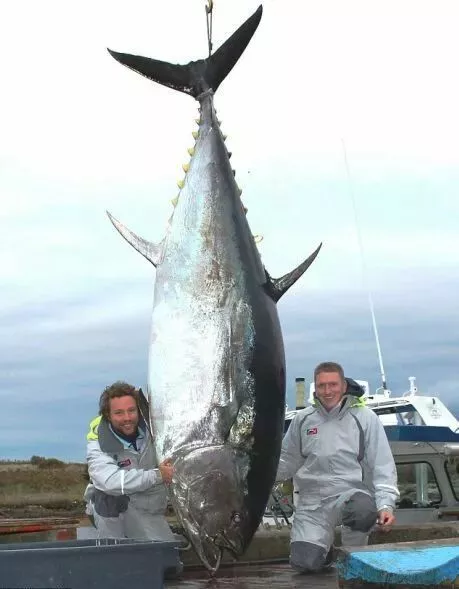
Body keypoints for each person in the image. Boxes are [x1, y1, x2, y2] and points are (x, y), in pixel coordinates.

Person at [277, 361, 399, 573]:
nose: (327, 391)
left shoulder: (366, 418)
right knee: (304, 563)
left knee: (362, 512)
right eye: (322, 385)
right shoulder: (302, 420)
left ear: (343, 386)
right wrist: (259, 476)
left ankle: (353, 552)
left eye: (333, 384)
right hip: (313, 502)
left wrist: (385, 505)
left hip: (351, 494)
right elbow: (287, 461)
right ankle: (325, 553)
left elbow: (383, 465)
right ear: (315, 388)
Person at [83, 381, 183, 575]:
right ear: (108, 415)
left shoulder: (157, 430)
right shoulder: (97, 444)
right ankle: (114, 556)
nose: (127, 418)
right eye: (119, 413)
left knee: (170, 570)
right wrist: (157, 475)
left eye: (131, 410)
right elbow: (109, 482)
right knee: (105, 495)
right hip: (117, 509)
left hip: (149, 511)